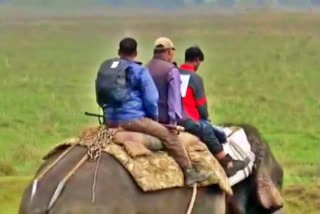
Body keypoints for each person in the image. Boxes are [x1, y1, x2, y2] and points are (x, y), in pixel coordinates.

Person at [97, 37, 210, 186]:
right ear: (136, 53)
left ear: (119, 52)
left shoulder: (109, 68)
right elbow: (151, 99)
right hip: (133, 120)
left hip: (110, 119)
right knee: (170, 137)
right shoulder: (139, 70)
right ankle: (189, 172)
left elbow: (100, 96)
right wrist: (153, 118)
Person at [178, 46, 249, 177]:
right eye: (199, 63)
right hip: (189, 119)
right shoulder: (195, 78)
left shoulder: (174, 72)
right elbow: (202, 107)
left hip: (173, 115)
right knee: (218, 133)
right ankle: (228, 163)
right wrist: (206, 119)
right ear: (197, 60)